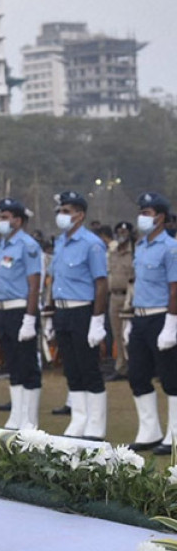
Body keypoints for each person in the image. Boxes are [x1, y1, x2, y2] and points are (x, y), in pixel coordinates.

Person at [46, 190, 109, 439]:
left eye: (66, 211)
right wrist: (51, 314)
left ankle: (96, 424)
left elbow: (101, 283)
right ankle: (79, 419)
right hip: (62, 311)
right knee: (71, 369)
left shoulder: (92, 243)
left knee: (88, 368)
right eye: (60, 211)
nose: (61, 215)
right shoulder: (60, 242)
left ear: (80, 215)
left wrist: (97, 320)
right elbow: (56, 280)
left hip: (83, 310)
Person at [124, 193, 177, 455]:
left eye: (147, 213)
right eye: (141, 212)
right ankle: (150, 431)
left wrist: (171, 324)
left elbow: (175, 289)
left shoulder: (171, 247)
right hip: (140, 317)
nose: (142, 217)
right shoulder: (142, 245)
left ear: (161, 217)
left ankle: (174, 434)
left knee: (170, 377)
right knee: (137, 374)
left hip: (161, 316)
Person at [0, 198, 44, 430]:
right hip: (3, 310)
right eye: (0, 216)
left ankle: (30, 419)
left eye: (5, 217)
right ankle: (17, 414)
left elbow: (34, 285)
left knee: (27, 365)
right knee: (12, 364)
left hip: (21, 309)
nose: (1, 221)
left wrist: (30, 319)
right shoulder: (2, 245)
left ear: (18, 220)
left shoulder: (28, 245)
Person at [106, 221, 135, 381]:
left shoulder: (135, 251)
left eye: (124, 232)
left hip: (130, 298)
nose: (121, 234)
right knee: (117, 334)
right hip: (114, 297)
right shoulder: (112, 251)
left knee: (130, 334)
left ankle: (137, 366)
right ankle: (121, 367)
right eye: (118, 232)